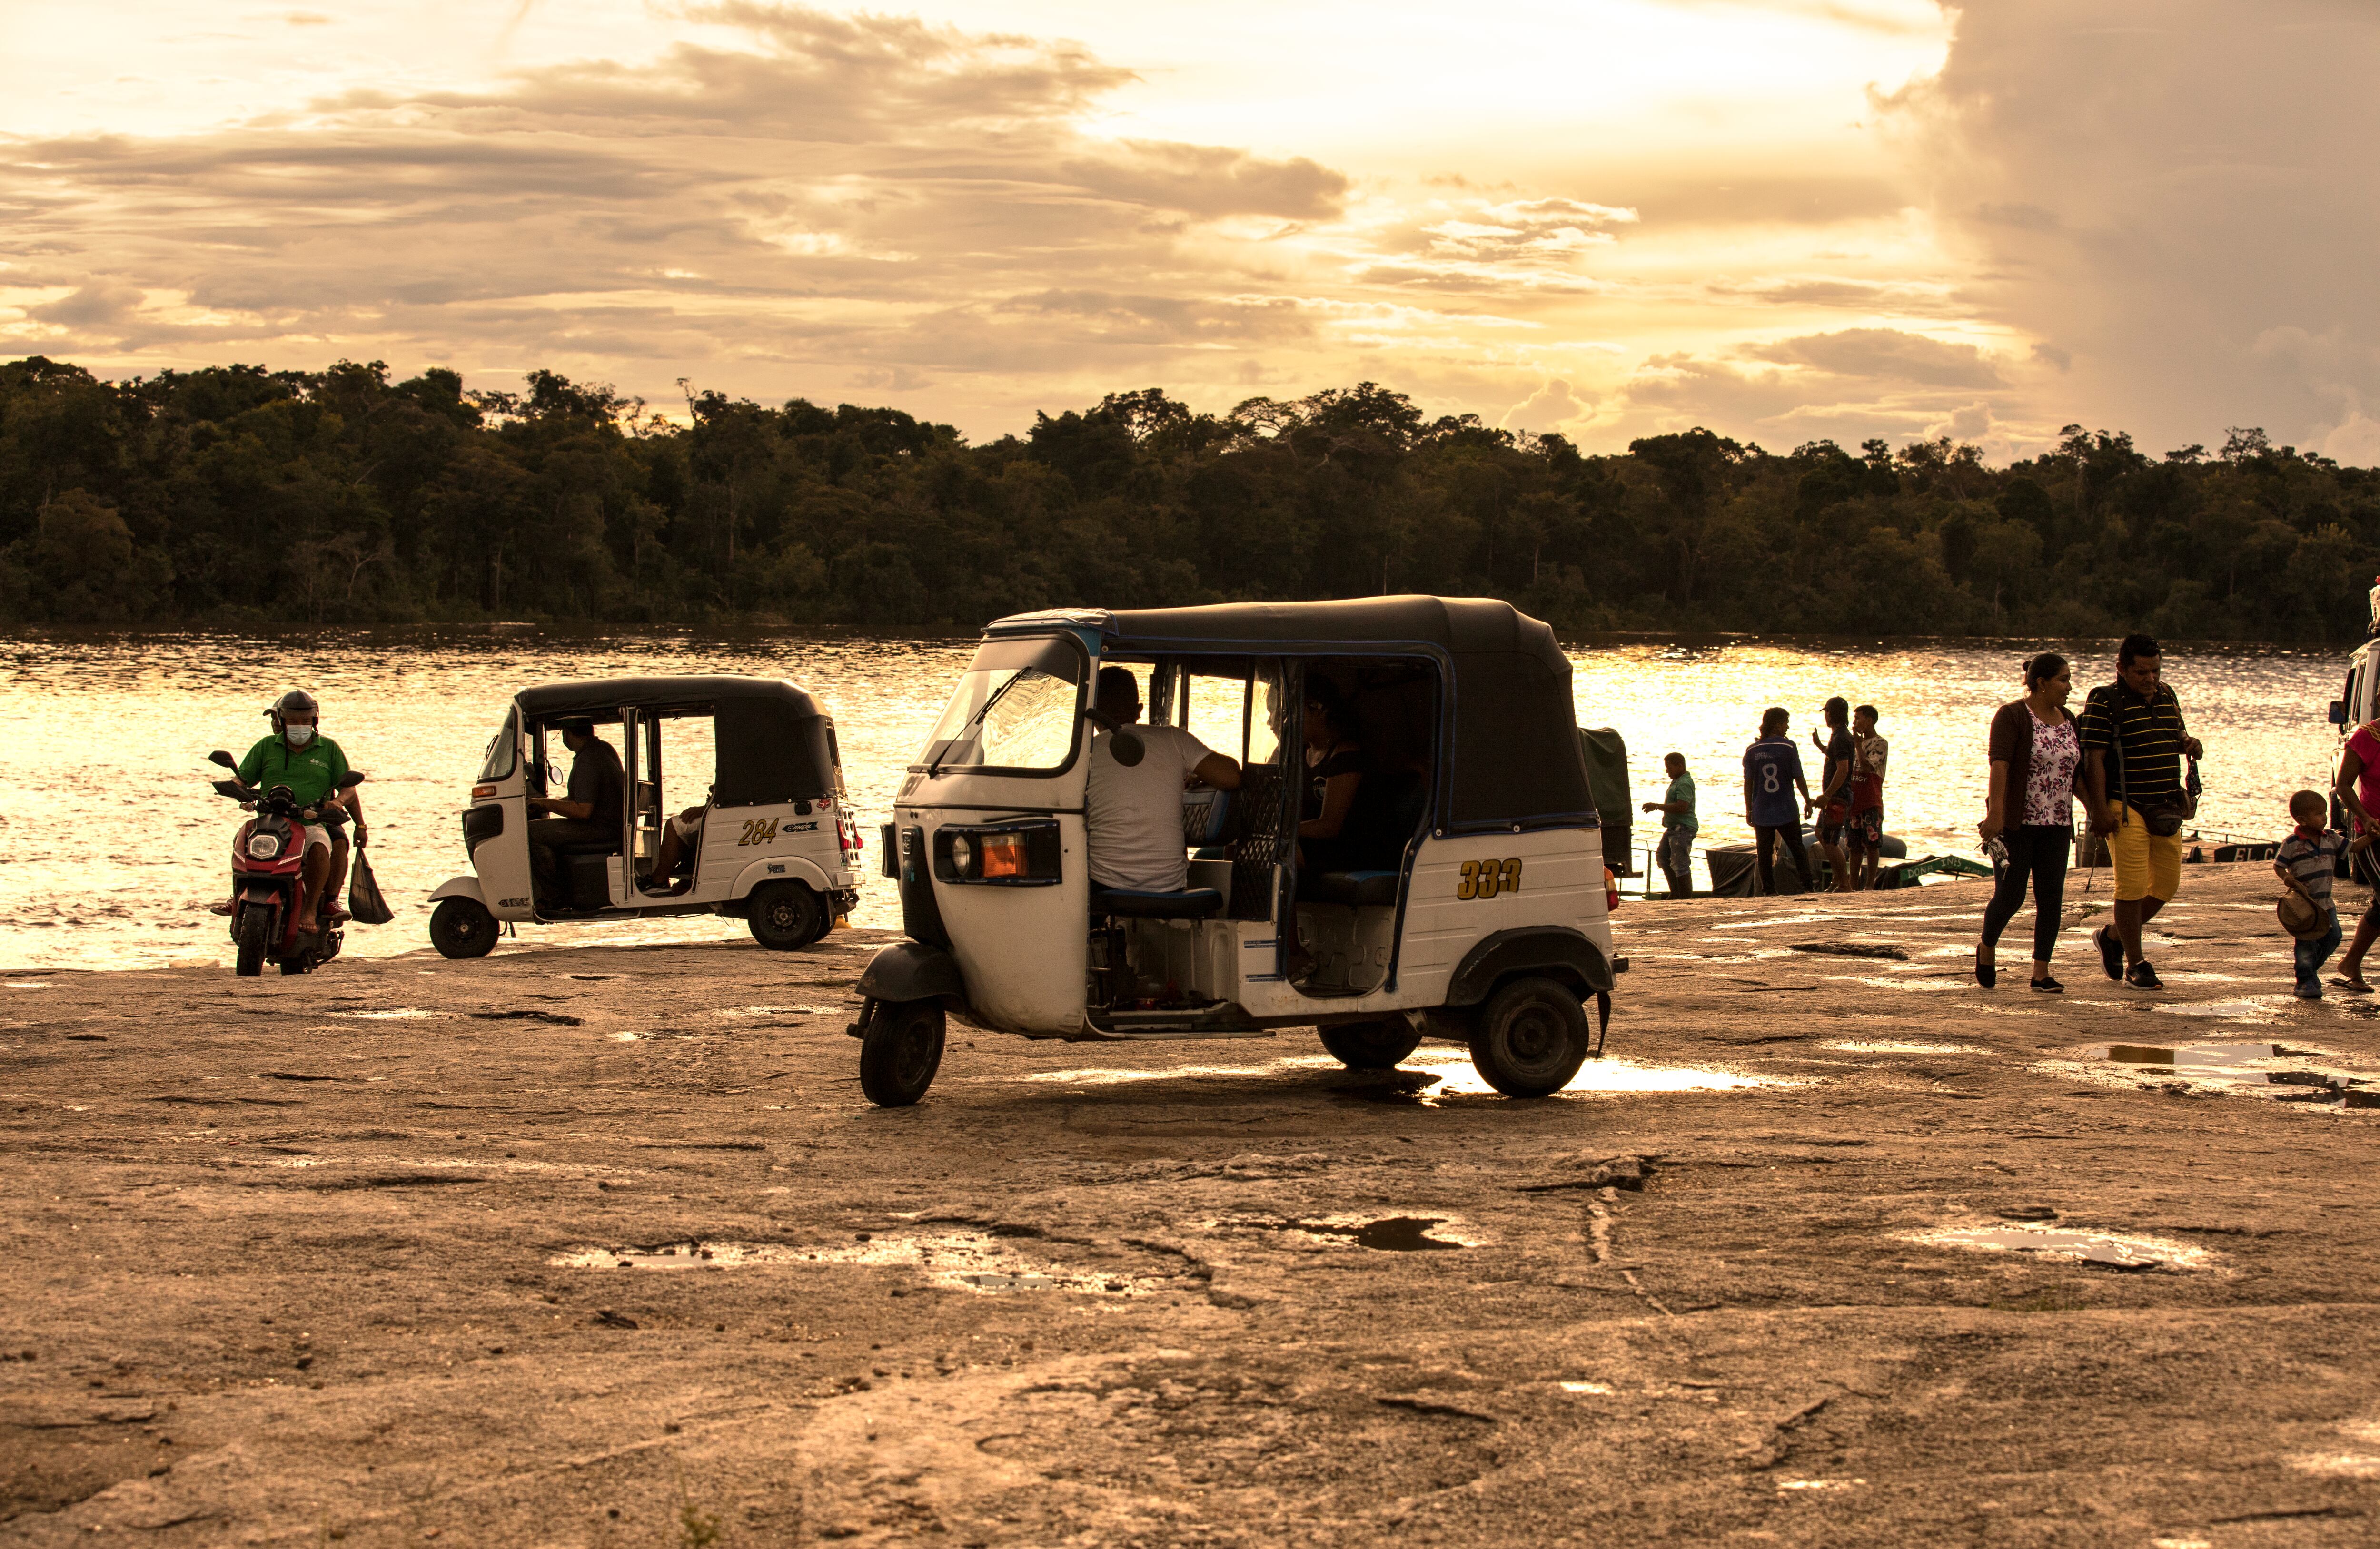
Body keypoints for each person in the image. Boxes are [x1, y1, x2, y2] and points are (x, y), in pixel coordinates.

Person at [2078, 633, 2205, 990]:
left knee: (2166, 885)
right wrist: (2099, 810)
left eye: (2155, 670)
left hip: (2166, 805)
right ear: (2121, 668)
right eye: (2142, 672)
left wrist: (2188, 744)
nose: (2150, 678)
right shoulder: (2104, 700)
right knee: (2131, 887)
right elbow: (2094, 758)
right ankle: (2138, 962)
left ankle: (2113, 936)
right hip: (2125, 805)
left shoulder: (2167, 694)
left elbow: (2175, 732)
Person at [1976, 652, 2083, 991]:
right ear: (2042, 683)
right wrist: (1995, 815)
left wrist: (2095, 809)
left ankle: (2041, 972)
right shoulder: (2012, 716)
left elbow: (2073, 774)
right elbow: (2000, 765)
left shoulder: (2068, 719)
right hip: (2016, 825)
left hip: (2057, 824)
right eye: (2064, 679)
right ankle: (1987, 946)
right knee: (2011, 895)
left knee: (2051, 897)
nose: (2069, 687)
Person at [1084, 666, 1242, 894]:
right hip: (1168, 886)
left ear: (1094, 714)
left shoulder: (1085, 755)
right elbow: (1231, 777)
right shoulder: (1174, 739)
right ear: (1139, 710)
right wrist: (1194, 774)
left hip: (1102, 886)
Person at [228, 689, 367, 936]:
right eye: (293, 721)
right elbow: (243, 779)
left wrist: (339, 806)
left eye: (305, 721)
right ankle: (237, 895)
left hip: (310, 822)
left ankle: (311, 909)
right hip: (271, 820)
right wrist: (236, 790)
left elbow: (348, 789)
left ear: (314, 722)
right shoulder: (266, 746)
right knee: (242, 838)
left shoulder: (329, 749)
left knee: (322, 847)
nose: (299, 726)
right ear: (282, 721)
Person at [527, 718, 626, 905]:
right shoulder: (603, 749)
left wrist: (548, 805)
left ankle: (554, 897)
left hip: (601, 829)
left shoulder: (588, 760)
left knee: (533, 833)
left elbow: (583, 811)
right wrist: (544, 803)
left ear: (567, 733)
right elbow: (584, 800)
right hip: (610, 825)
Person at [2275, 790, 2348, 1000]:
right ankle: (2305, 980)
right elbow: (2279, 866)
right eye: (2319, 814)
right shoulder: (2292, 843)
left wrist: (2370, 837)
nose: (2324, 818)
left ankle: (2311, 970)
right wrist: (2287, 878)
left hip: (2326, 903)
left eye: (2325, 813)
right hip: (2305, 904)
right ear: (2303, 820)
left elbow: (2353, 848)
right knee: (2306, 942)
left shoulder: (2331, 838)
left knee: (2334, 936)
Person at [2327, 710, 2380, 991]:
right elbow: (2344, 786)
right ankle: (2350, 962)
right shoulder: (2367, 738)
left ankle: (2350, 962)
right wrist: (2365, 817)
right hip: (2374, 836)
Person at [1743, 707, 1814, 895]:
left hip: (1762, 809)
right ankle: (1808, 887)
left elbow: (1748, 783)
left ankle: (1769, 890)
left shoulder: (1752, 751)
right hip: (1786, 808)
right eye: (1785, 723)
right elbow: (1799, 777)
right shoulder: (1789, 747)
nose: (1788, 727)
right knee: (1797, 848)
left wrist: (1749, 809)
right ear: (1776, 724)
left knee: (1764, 853)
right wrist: (1807, 800)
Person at [1810, 697, 1855, 892]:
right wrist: (1821, 747)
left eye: (1827, 712)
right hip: (1837, 795)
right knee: (1825, 834)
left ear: (1832, 714)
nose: (1826, 716)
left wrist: (1827, 796)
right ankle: (1837, 880)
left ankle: (1844, 883)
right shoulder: (1839, 737)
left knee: (1828, 838)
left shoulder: (1841, 738)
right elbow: (1836, 757)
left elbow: (1843, 769)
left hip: (1837, 797)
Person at [1843, 704, 1889, 890]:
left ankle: (1870, 884)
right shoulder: (1856, 744)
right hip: (1854, 800)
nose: (1854, 723)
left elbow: (1867, 766)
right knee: (1854, 846)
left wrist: (1857, 744)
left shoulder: (1880, 743)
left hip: (1871, 800)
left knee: (1872, 844)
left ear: (1869, 720)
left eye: (1858, 719)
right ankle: (1853, 885)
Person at [1642, 752, 1697, 897]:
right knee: (1663, 856)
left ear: (1680, 766)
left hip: (1683, 828)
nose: (1667, 771)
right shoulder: (1678, 781)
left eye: (1670, 768)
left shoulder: (1684, 783)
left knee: (1681, 864)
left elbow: (1682, 807)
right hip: (1673, 828)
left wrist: (1657, 806)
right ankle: (1676, 893)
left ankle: (1684, 897)